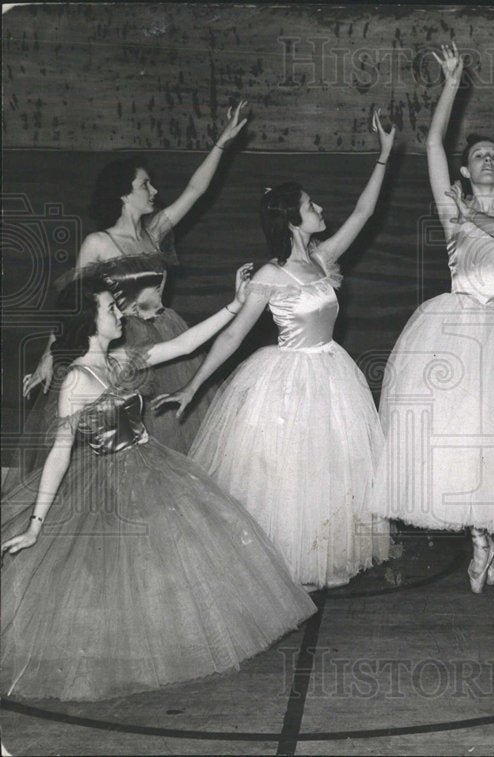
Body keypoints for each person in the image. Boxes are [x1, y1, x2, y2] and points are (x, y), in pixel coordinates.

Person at [1, 272, 316, 701]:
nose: (120, 314)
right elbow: (60, 451)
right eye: (110, 309)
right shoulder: (76, 379)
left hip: (153, 466)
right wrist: (37, 524)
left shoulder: (122, 359)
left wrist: (236, 303)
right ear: (88, 321)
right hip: (106, 480)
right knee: (112, 571)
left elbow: (184, 345)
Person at [153, 109, 395, 590]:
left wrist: (384, 156)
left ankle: (316, 558)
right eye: (311, 205)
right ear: (292, 219)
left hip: (330, 372)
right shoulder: (269, 276)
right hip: (287, 380)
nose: (321, 209)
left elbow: (365, 214)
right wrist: (193, 387)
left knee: (327, 472)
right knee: (286, 476)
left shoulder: (323, 259)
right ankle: (283, 570)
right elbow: (232, 336)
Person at [374, 45, 494, 592]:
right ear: (466, 168)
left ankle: (492, 527)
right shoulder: (451, 214)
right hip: (457, 324)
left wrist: (474, 211)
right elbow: (434, 142)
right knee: (461, 433)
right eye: (478, 155)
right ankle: (479, 535)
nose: (486, 159)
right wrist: (453, 85)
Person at [18, 102, 250, 465]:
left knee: (173, 430)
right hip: (123, 342)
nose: (154, 190)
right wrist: (49, 355)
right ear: (125, 193)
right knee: (124, 438)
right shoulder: (98, 242)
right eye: (145, 184)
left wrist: (222, 142)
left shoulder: (155, 232)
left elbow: (195, 190)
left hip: (166, 336)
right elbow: (74, 303)